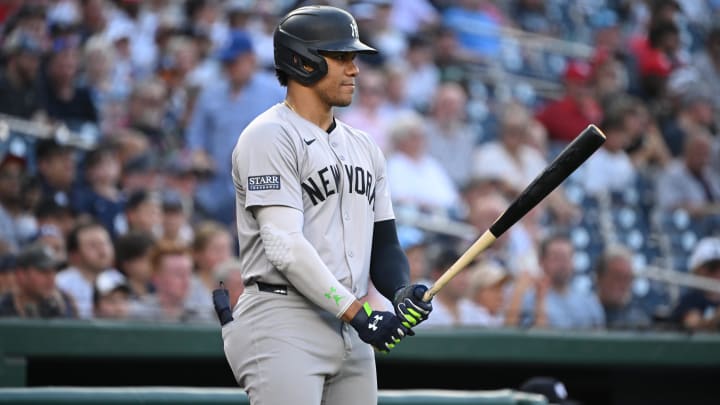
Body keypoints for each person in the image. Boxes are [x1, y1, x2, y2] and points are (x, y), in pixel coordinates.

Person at [221, 6, 433, 405]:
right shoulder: (269, 136)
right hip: (282, 316)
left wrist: (400, 290)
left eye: (354, 59)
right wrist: (358, 312)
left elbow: (384, 243)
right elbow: (284, 246)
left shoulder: (364, 146)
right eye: (341, 58)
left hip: (350, 328)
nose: (354, 70)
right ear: (302, 61)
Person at [0, 243, 77, 318]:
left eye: (54, 271)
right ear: (21, 275)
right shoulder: (4, 307)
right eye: (44, 271)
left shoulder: (63, 304)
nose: (51, 278)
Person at [56, 221, 114, 319]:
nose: (102, 250)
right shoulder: (61, 283)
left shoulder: (117, 279)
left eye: (105, 243)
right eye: (93, 245)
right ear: (74, 255)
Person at [594, 245, 652, 330]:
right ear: (600, 277)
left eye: (627, 278)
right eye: (617, 276)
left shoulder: (638, 321)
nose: (622, 284)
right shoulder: (581, 315)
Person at [671, 237, 720, 331]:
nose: (718, 273)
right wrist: (715, 318)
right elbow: (693, 324)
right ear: (698, 270)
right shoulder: (691, 300)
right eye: (712, 267)